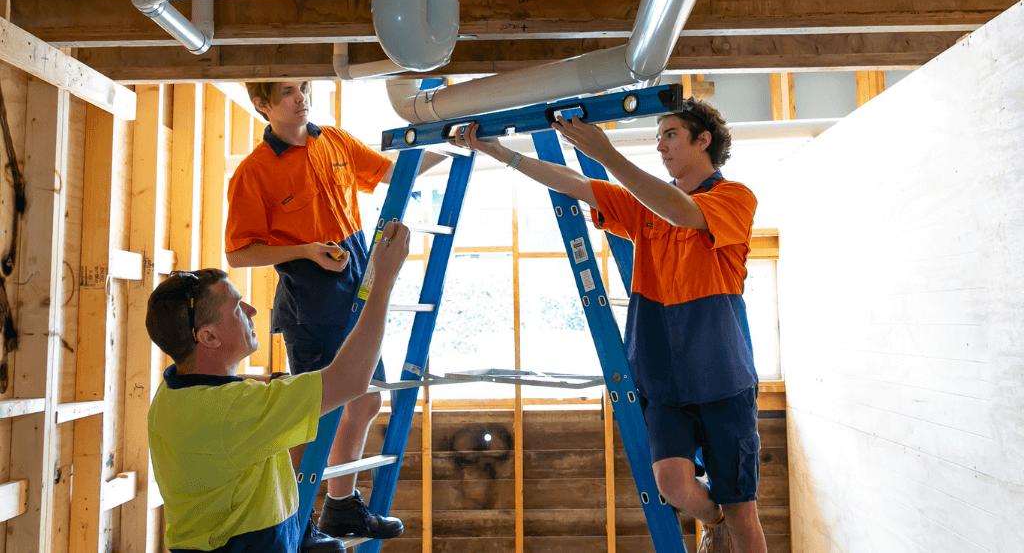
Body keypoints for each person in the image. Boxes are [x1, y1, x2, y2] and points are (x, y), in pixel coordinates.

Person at [450, 97, 763, 553]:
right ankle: (713, 519)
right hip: (664, 380)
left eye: (670, 135)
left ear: (703, 140)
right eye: (657, 138)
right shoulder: (645, 208)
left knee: (745, 515)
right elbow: (575, 183)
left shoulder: (734, 197)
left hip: (723, 377)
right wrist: (502, 153)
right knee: (673, 484)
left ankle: (727, 519)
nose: (660, 146)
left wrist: (608, 154)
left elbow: (683, 213)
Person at [224, 80, 445, 545]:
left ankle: (339, 506)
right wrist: (305, 251)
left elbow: (397, 172)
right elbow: (240, 253)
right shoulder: (254, 172)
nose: (301, 97)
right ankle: (293, 520)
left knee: (364, 401)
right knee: (314, 415)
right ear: (261, 104)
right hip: (310, 299)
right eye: (286, 92)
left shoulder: (336, 142)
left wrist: (453, 138)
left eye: (303, 87)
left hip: (355, 281)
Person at [147, 222, 411, 553]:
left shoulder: (172, 394)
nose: (253, 311)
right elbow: (352, 379)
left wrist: (274, 383)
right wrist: (383, 282)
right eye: (237, 307)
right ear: (209, 337)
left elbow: (226, 403)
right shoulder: (236, 410)